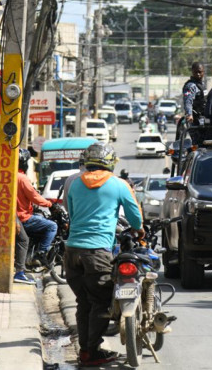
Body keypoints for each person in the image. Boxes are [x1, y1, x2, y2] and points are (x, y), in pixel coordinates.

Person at [64, 142, 144, 367]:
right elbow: (134, 216)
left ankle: (86, 350)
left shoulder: (74, 183)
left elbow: (71, 212)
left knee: (83, 302)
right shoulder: (119, 185)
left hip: (71, 251)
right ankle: (92, 351)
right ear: (110, 163)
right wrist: (140, 229)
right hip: (97, 251)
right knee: (100, 301)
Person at [0, 150, 34, 284]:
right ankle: (20, 272)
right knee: (23, 239)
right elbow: (6, 200)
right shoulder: (0, 175)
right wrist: (14, 220)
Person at [16, 149, 57, 266]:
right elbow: (34, 196)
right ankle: (41, 253)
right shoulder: (22, 178)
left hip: (16, 216)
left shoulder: (11, 176)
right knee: (52, 226)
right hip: (23, 217)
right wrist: (50, 204)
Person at [179, 62, 206, 144]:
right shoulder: (190, 86)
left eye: (200, 72)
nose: (198, 74)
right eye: (196, 72)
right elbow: (188, 101)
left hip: (203, 118)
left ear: (203, 72)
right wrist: (189, 114)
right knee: (198, 143)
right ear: (192, 72)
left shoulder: (201, 85)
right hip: (195, 120)